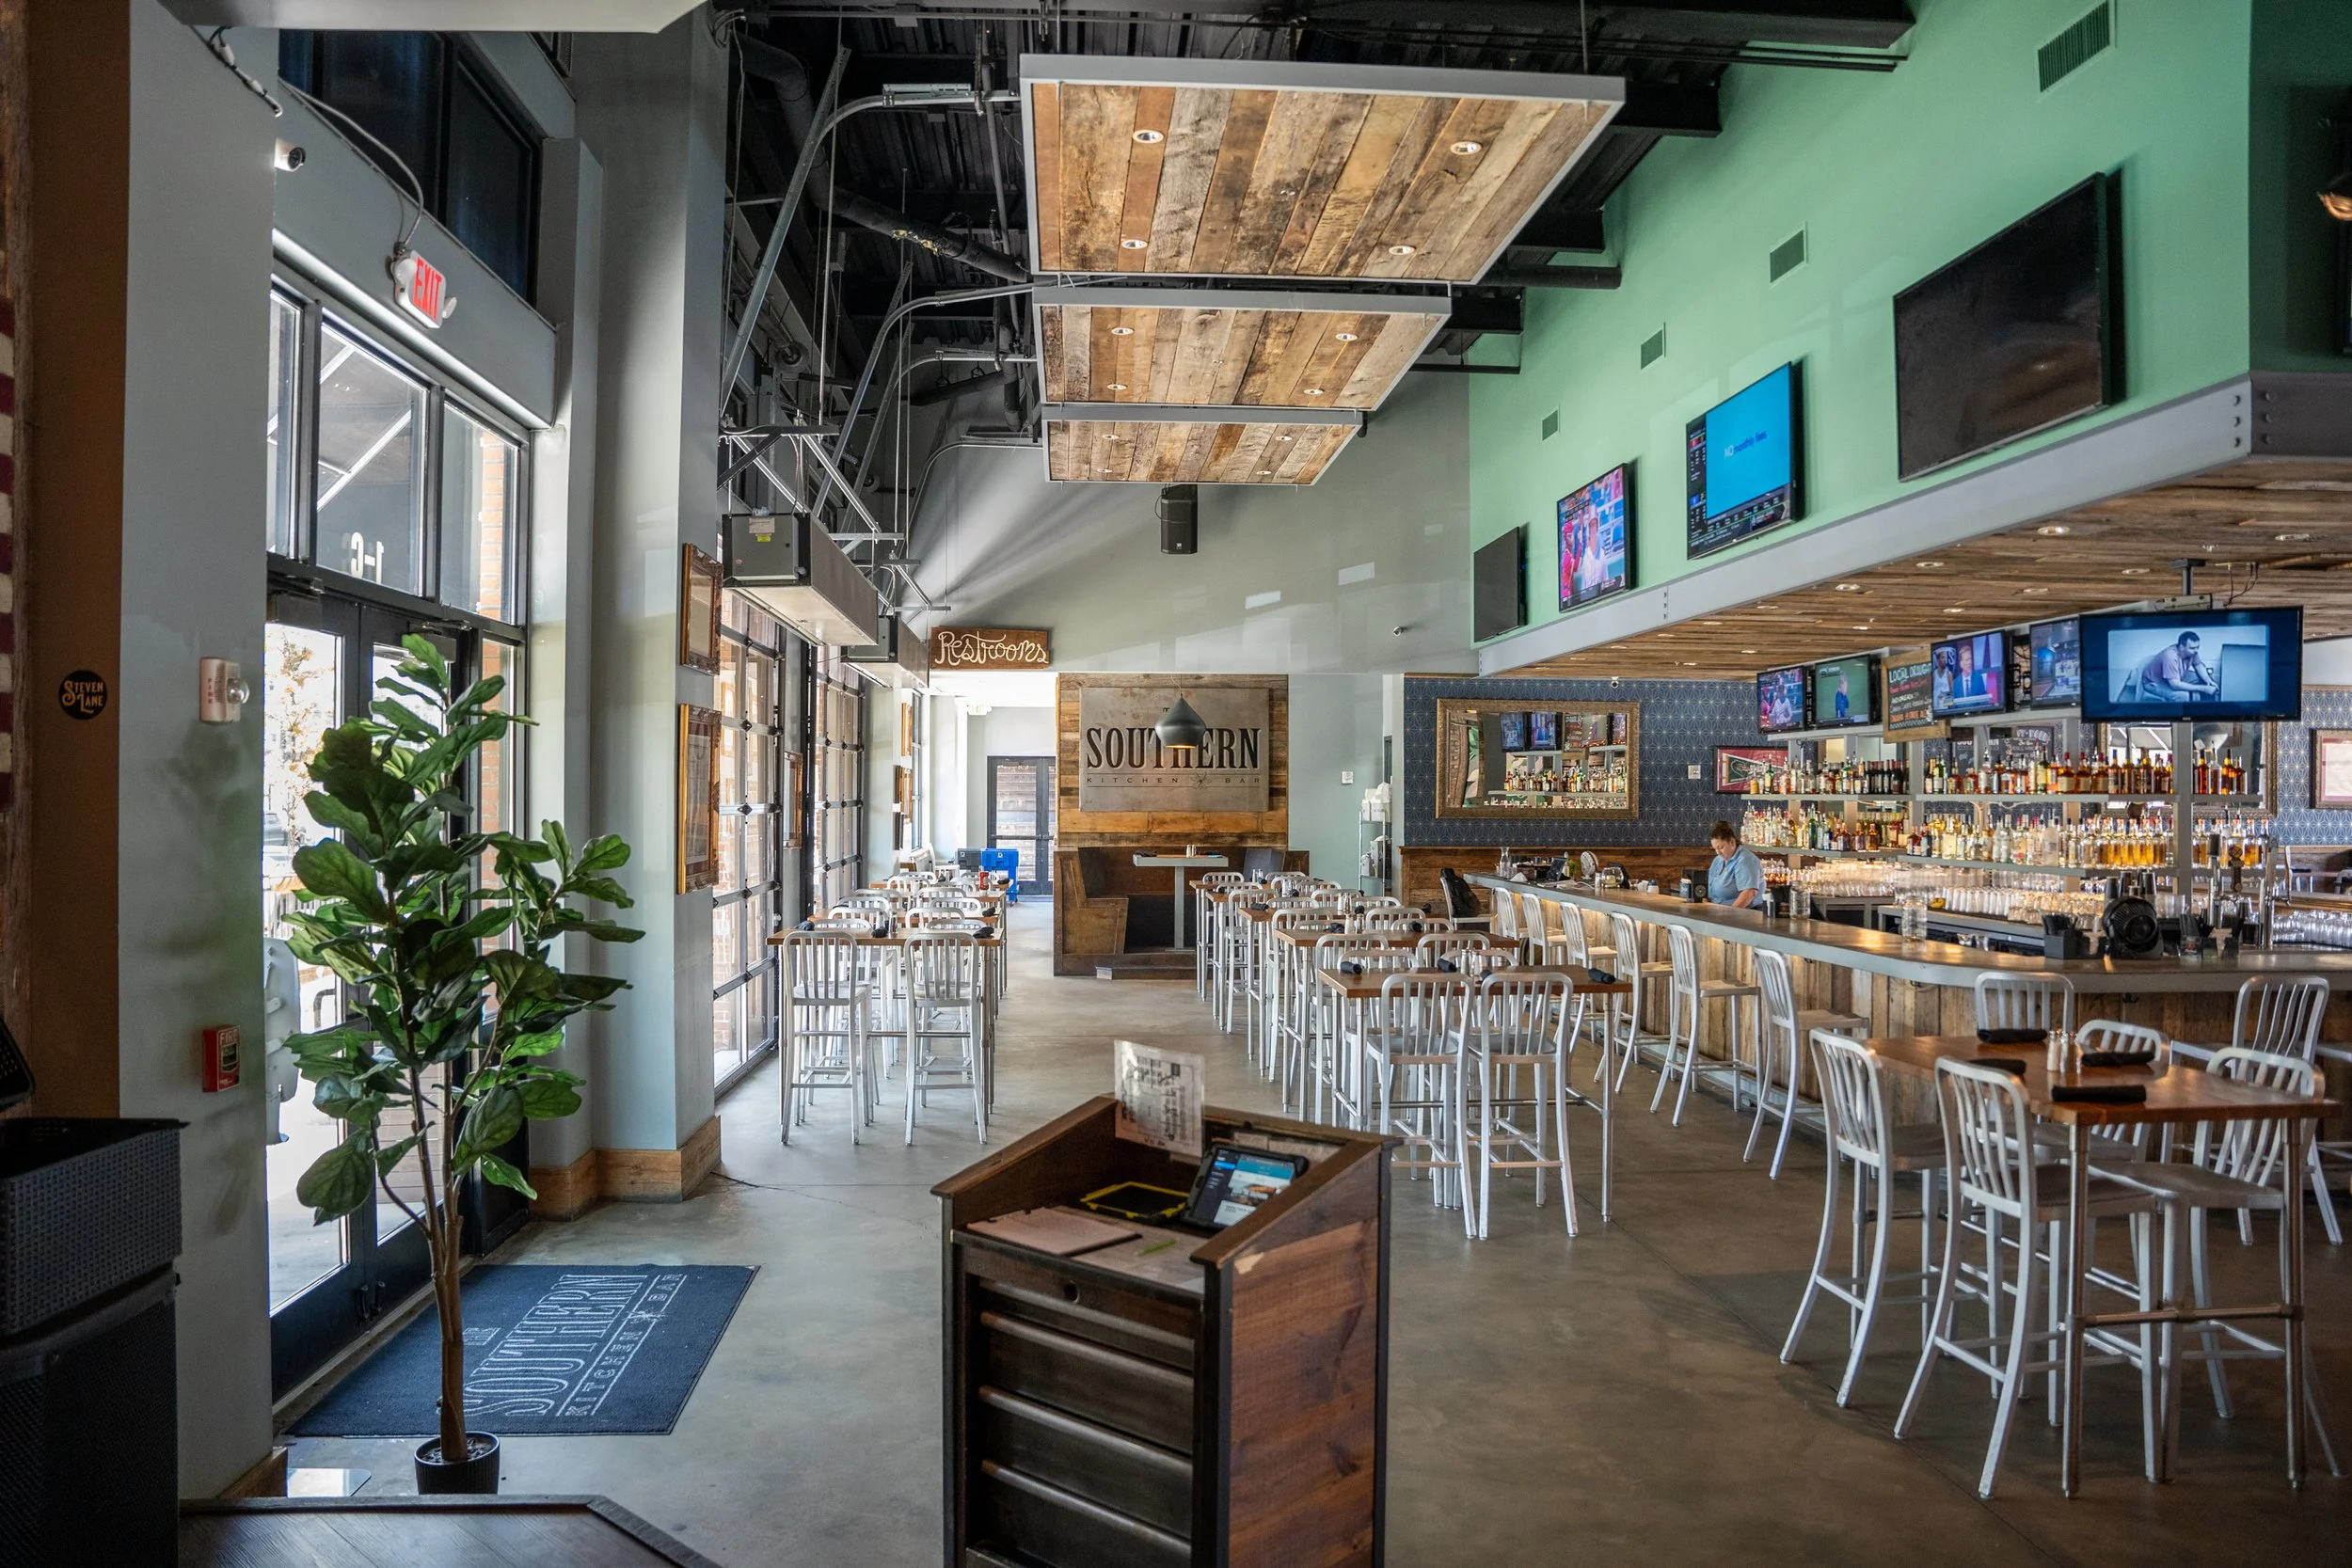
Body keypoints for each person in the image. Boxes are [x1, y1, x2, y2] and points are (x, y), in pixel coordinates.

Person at [2136, 631, 2218, 704]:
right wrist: (2203, 688)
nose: (2196, 651)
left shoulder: (2193, 652)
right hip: (2155, 683)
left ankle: (2205, 709)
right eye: (2192, 648)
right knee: (2183, 696)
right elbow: (2175, 684)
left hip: (2176, 675)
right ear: (2181, 647)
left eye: (2197, 647)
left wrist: (2208, 680)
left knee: (2204, 679)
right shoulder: (2170, 657)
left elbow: (2198, 665)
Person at [1708, 821, 1765, 910]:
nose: (1718, 852)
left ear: (1732, 842)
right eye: (1715, 849)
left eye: (1721, 847)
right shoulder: (1718, 860)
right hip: (1717, 910)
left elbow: (1749, 893)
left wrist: (1731, 913)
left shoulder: (1745, 860)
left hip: (1744, 913)